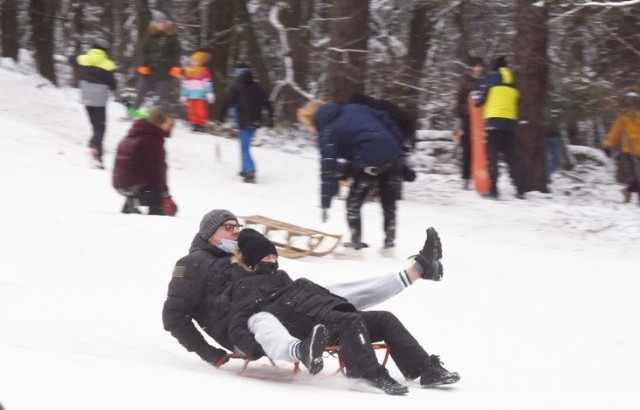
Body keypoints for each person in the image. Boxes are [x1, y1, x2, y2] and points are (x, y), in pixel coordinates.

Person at [161, 209, 445, 371]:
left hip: (272, 305)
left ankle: (417, 271)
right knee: (281, 312)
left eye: (238, 226)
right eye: (228, 227)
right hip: (242, 326)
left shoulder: (237, 256)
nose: (236, 232)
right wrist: (210, 353)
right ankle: (297, 349)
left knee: (327, 295)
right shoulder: (191, 264)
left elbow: (262, 283)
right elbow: (174, 317)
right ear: (209, 234)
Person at [226, 228, 459, 395]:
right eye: (267, 257)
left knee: (384, 319)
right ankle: (367, 374)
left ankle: (425, 369)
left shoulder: (283, 279)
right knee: (349, 320)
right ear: (253, 261)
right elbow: (244, 323)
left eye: (275, 255)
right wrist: (254, 349)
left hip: (319, 308)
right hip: (309, 327)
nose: (273, 260)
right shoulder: (244, 286)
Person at [297, 100, 405, 249]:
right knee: (388, 202)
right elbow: (385, 118)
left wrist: (325, 204)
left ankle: (356, 241)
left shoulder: (327, 133)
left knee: (353, 204)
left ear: (312, 120)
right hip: (393, 154)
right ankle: (390, 241)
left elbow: (328, 168)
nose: (307, 128)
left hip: (369, 160)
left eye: (306, 124)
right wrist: (400, 145)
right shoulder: (354, 107)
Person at [349, 94, 418, 200]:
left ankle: (393, 192)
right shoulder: (375, 106)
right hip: (403, 129)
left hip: (404, 131)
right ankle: (387, 190)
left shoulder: (375, 111)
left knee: (394, 160)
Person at [473, 56, 523, 199]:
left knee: (492, 158)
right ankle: (520, 189)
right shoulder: (513, 81)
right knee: (511, 159)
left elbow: (479, 101)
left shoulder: (491, 78)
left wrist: (477, 97)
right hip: (510, 124)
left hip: (494, 123)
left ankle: (494, 190)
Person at [112, 108, 177, 216]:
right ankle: (155, 218)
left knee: (149, 187)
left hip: (120, 183)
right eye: (167, 123)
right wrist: (165, 194)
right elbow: (155, 170)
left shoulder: (136, 133)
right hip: (136, 185)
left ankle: (131, 202)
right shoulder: (152, 140)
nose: (169, 127)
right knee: (159, 201)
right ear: (159, 122)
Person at [217, 64, 273, 183]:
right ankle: (244, 169)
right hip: (256, 122)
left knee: (245, 148)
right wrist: (271, 118)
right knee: (244, 145)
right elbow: (267, 103)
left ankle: (250, 171)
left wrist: (220, 116)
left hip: (244, 122)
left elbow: (227, 103)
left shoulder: (237, 87)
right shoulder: (258, 86)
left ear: (239, 73)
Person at [68, 38, 118, 169]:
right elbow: (112, 83)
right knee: (100, 127)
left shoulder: (85, 58)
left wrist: (73, 56)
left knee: (95, 126)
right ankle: (94, 145)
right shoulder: (108, 64)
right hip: (99, 99)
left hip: (86, 97)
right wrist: (115, 91)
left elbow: (72, 60)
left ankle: (99, 158)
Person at [128, 10, 181, 119]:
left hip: (164, 71)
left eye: (163, 22)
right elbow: (143, 51)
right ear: (155, 23)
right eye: (159, 22)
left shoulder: (171, 36)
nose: (161, 24)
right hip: (148, 70)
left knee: (163, 97)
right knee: (140, 93)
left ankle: (168, 118)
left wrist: (176, 66)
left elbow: (176, 53)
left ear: (166, 23)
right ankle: (132, 113)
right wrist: (142, 65)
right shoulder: (150, 35)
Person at [455, 57, 486, 189]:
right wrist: (458, 120)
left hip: (481, 119)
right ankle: (465, 177)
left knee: (480, 149)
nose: (479, 68)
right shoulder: (465, 80)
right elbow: (459, 100)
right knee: (467, 148)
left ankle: (478, 176)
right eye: (476, 66)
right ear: (471, 67)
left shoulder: (486, 81)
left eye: (481, 66)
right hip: (466, 118)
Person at [603, 91, 640, 205]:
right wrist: (608, 145)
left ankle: (627, 191)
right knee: (638, 176)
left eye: (634, 103)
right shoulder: (623, 118)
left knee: (637, 177)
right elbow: (614, 131)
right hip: (630, 150)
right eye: (630, 104)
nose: (632, 106)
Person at [180, 51, 214, 133]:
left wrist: (209, 92)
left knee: (200, 110)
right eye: (193, 60)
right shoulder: (188, 72)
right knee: (192, 110)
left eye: (197, 61)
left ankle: (201, 124)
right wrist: (183, 94)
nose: (194, 62)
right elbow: (186, 84)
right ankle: (194, 124)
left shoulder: (204, 72)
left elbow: (207, 83)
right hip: (191, 95)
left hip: (200, 95)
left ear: (201, 62)